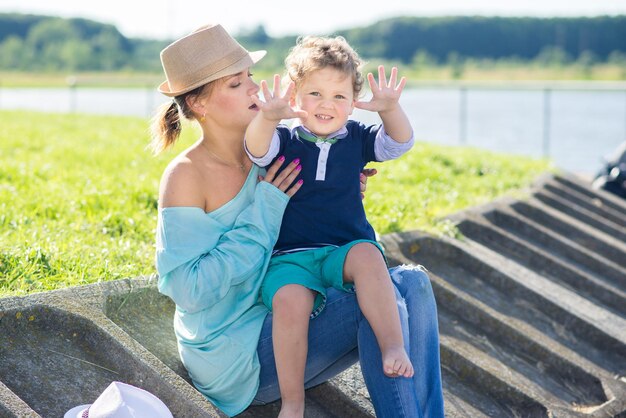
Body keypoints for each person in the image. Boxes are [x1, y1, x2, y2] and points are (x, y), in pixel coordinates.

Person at [152, 23, 444, 418]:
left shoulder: (270, 154)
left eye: (250, 77)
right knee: (380, 298)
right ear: (200, 104)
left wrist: (341, 184)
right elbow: (189, 289)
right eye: (236, 85)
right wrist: (267, 209)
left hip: (288, 323)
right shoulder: (187, 175)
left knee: (412, 280)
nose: (255, 89)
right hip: (239, 356)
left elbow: (313, 208)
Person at [244, 35, 415, 417]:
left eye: (339, 97)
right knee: (289, 303)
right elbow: (256, 149)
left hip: (344, 249)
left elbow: (399, 143)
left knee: (370, 255)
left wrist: (389, 110)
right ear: (294, 97)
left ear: (354, 102)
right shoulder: (284, 139)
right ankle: (293, 400)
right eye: (315, 94)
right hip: (291, 256)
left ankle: (392, 345)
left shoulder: (357, 138)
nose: (327, 105)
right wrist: (267, 116)